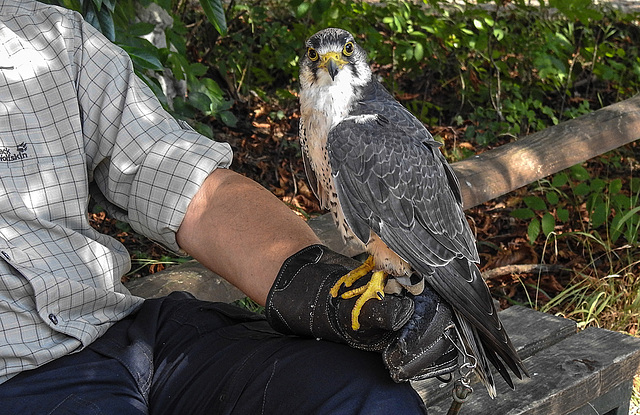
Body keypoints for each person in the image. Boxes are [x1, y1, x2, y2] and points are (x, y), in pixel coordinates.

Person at [0, 1, 430, 413]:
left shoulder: (52, 39)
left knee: (363, 396)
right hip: (16, 375)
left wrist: (321, 289)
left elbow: (182, 181)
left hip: (120, 334)